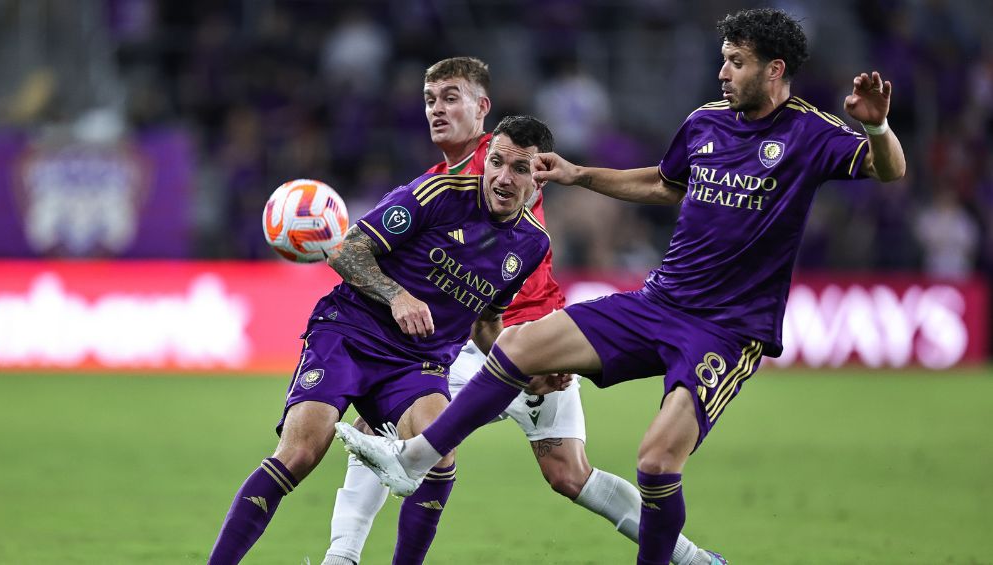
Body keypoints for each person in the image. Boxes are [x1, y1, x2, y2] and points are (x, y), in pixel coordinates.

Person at [336, 8, 907, 565]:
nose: (723, 72)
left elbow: (889, 169)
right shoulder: (706, 121)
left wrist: (877, 125)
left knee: (657, 464)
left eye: (736, 62)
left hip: (727, 331)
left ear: (774, 69)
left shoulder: (809, 133)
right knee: (517, 346)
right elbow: (663, 184)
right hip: (661, 301)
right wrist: (581, 175)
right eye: (724, 60)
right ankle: (414, 461)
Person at [323, 56, 715, 565]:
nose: (437, 111)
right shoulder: (447, 177)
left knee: (564, 472)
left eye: (451, 98)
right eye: (430, 100)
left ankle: (690, 558)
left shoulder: (502, 159)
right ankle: (342, 557)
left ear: (482, 108)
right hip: (504, 337)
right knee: (399, 432)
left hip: (524, 335)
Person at [206, 115, 556, 565]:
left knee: (439, 457)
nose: (503, 178)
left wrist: (526, 373)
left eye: (520, 169)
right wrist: (397, 296)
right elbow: (347, 249)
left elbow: (487, 323)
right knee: (299, 452)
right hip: (351, 332)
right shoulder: (439, 194)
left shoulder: (531, 245)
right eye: (497, 162)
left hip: (420, 363)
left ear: (541, 178)